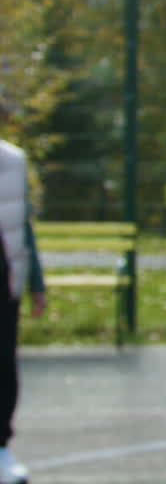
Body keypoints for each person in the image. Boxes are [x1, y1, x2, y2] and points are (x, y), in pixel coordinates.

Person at [0, 112, 46, 484]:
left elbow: (23, 224)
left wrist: (37, 284)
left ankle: (1, 446)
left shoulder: (12, 161)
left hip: (5, 275)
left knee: (3, 366)